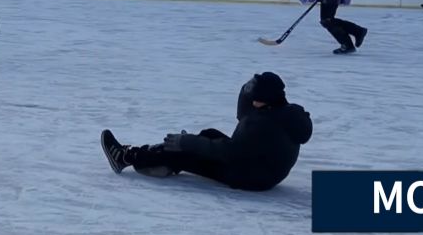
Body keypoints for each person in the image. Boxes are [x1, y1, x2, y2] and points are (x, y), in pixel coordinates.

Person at [100, 72, 313, 192]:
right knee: (209, 133)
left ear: (261, 99)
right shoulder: (286, 111)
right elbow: (241, 137)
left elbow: (229, 152)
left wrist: (188, 143)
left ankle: (125, 157)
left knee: (184, 151)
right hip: (266, 170)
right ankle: (165, 161)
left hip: (250, 177)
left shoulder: (260, 124)